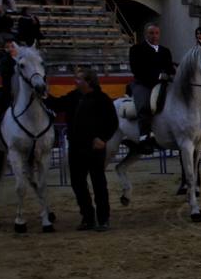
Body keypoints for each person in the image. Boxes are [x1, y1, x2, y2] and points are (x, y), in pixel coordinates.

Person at [55, 67, 118, 231]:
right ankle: (88, 217)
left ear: (88, 81)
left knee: (98, 184)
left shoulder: (102, 99)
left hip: (94, 148)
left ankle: (103, 219)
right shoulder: (73, 97)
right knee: (78, 184)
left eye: (79, 79)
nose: (75, 81)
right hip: (76, 147)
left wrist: (103, 139)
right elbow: (56, 104)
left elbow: (112, 122)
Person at [129, 22, 175, 148]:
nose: (154, 36)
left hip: (163, 84)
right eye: (151, 33)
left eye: (156, 33)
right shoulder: (136, 49)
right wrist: (159, 75)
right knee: (144, 104)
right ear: (145, 34)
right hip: (143, 83)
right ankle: (144, 135)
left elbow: (170, 69)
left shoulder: (165, 51)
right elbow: (136, 70)